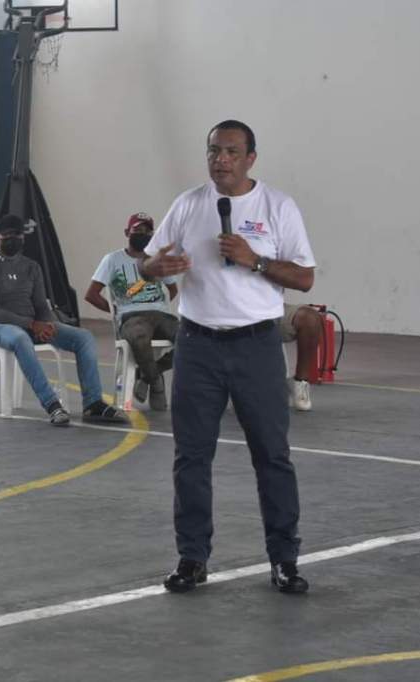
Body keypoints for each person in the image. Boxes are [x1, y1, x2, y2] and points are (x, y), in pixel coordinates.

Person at [140, 121, 315, 594]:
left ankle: (284, 560)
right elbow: (147, 263)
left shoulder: (278, 206)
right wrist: (155, 267)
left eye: (232, 152)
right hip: (197, 345)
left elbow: (304, 279)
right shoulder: (187, 204)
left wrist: (254, 260)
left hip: (256, 346)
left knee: (272, 456)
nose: (221, 160)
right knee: (191, 457)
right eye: (214, 150)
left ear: (251, 158)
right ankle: (192, 558)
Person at [0, 214, 128, 427]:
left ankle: (93, 403)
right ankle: (52, 405)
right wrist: (31, 324)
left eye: (17, 234)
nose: (12, 239)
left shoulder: (32, 267)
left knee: (83, 337)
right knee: (20, 338)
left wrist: (47, 324)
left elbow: (41, 306)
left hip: (32, 325)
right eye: (6, 235)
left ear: (23, 237)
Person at [85, 212, 178, 411]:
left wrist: (158, 306)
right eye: (138, 230)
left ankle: (148, 376)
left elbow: (173, 288)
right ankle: (157, 384)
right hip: (132, 317)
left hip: (161, 315)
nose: (143, 234)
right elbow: (91, 294)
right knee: (139, 337)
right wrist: (116, 311)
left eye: (147, 231)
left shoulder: (157, 259)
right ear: (127, 232)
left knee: (192, 339)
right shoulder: (112, 259)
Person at [279, 303, 323, 411]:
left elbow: (305, 288)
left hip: (270, 309)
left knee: (310, 318)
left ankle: (301, 383)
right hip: (241, 314)